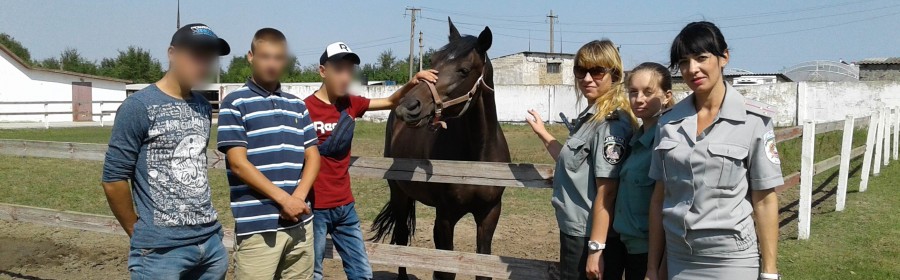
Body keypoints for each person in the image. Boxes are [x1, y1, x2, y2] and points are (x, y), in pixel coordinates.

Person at [646, 21, 783, 280]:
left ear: (724, 58)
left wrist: (769, 272)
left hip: (731, 259)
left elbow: (765, 200)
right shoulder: (668, 122)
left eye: (701, 58)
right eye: (684, 62)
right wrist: (654, 267)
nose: (692, 69)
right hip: (679, 257)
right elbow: (659, 198)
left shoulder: (753, 120)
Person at [100, 23, 230, 280]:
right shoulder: (138, 106)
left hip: (210, 244)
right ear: (172, 54)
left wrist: (214, 238)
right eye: (196, 55)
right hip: (161, 252)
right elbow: (114, 179)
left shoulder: (203, 106)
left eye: (209, 58)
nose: (203, 64)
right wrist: (139, 233)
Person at [304, 42, 437, 280]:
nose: (345, 76)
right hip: (314, 207)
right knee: (312, 273)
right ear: (322, 71)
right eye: (339, 69)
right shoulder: (304, 109)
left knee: (362, 273)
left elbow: (388, 101)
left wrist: (412, 82)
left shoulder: (351, 104)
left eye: (349, 70)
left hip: (345, 206)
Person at [526, 39, 637, 280]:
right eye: (580, 70)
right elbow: (573, 163)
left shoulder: (610, 125)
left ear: (615, 75)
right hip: (578, 231)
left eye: (597, 71)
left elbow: (607, 192)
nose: (587, 78)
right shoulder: (592, 117)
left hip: (590, 236)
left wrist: (596, 250)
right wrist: (543, 133)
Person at [217, 28, 321, 279]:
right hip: (258, 228)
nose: (272, 64)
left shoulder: (297, 105)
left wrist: (298, 197)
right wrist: (285, 201)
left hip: (300, 225)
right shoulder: (235, 103)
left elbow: (313, 156)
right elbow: (238, 164)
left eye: (278, 57)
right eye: (265, 56)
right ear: (251, 57)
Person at [612, 62, 675, 280]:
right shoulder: (635, 138)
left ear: (667, 96)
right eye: (633, 92)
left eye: (648, 92)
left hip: (649, 252)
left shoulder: (667, 142)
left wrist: (658, 265)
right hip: (625, 245)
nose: (639, 99)